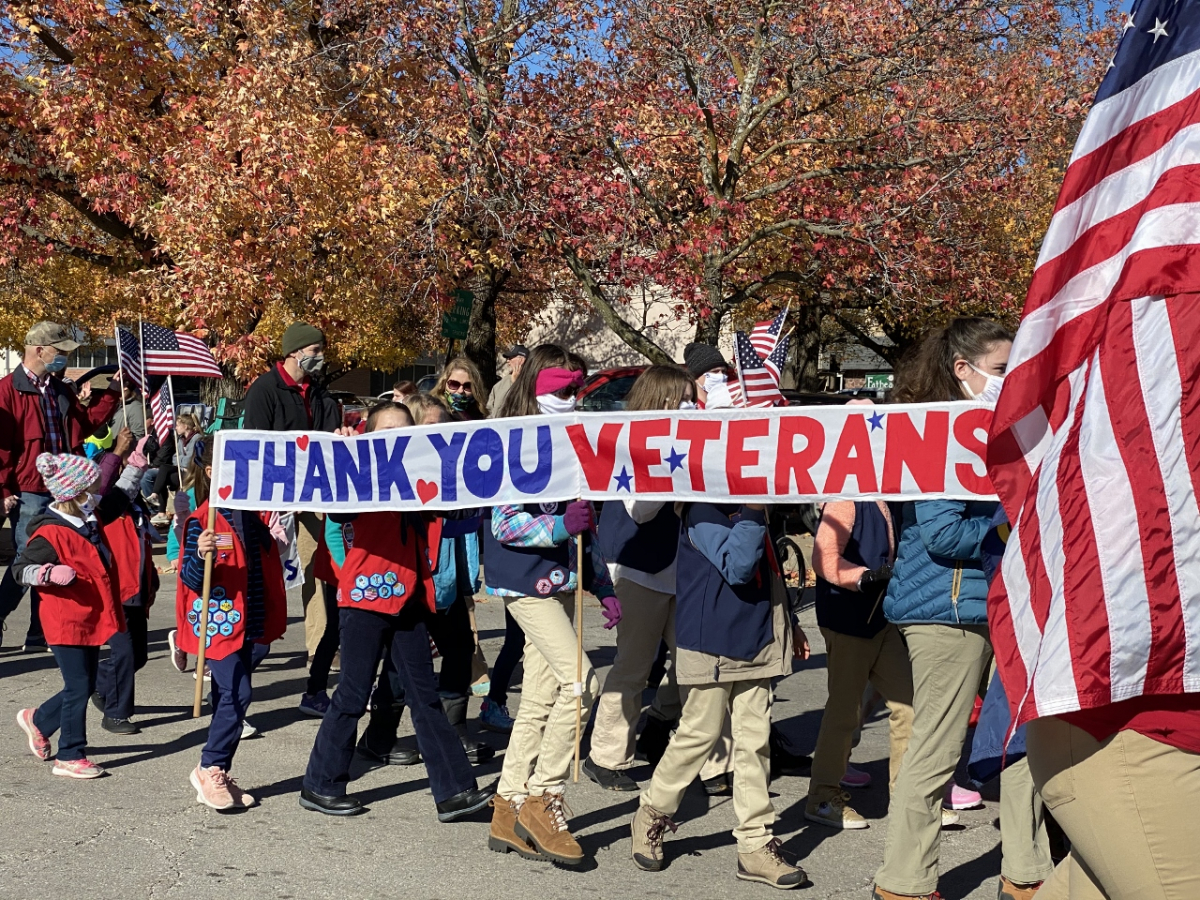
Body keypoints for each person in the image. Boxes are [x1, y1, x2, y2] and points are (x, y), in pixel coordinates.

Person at [873, 318, 1053, 900]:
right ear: (962, 371)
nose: (1009, 380)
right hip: (946, 613)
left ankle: (1024, 873)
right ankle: (904, 881)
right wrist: (1008, 511)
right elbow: (944, 536)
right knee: (937, 749)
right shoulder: (940, 434)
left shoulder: (1004, 429)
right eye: (1001, 370)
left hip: (1009, 608)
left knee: (1024, 742)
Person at [299, 401, 494, 822]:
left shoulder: (421, 478)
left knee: (424, 696)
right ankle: (320, 783)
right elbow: (339, 508)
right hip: (363, 600)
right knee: (353, 692)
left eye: (402, 433)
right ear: (369, 438)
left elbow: (456, 508)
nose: (394, 440)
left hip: (409, 600)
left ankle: (455, 791)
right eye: (384, 432)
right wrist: (345, 455)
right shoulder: (355, 475)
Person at [630, 499, 811, 889]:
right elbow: (740, 566)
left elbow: (768, 568)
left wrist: (789, 623)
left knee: (754, 742)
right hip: (710, 640)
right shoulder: (701, 511)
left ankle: (755, 844)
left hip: (758, 637)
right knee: (700, 733)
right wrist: (751, 511)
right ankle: (651, 812)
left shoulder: (754, 509)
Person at [485, 345, 618, 866]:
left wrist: (602, 585)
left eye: (577, 392)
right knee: (582, 683)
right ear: (538, 385)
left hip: (560, 580)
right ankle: (544, 796)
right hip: (521, 583)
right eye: (562, 391)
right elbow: (504, 523)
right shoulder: (510, 439)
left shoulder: (572, 440)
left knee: (541, 698)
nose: (571, 399)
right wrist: (562, 526)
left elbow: (584, 523)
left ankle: (509, 802)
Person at [586, 365, 723, 792]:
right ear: (659, 399)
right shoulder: (633, 443)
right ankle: (606, 756)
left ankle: (710, 759)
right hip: (637, 568)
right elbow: (639, 510)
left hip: (682, 569)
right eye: (681, 398)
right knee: (634, 666)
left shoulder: (690, 439)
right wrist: (673, 468)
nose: (689, 405)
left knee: (698, 667)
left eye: (691, 397)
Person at [12, 445, 149, 779]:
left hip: (89, 619)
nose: (95, 496)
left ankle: (39, 720)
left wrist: (135, 466)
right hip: (64, 621)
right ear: (73, 495)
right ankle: (70, 754)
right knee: (78, 685)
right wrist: (46, 574)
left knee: (83, 685)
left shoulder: (88, 516)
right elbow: (20, 569)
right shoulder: (49, 532)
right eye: (90, 491)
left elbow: (117, 498)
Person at [176, 440, 288, 809]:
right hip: (219, 627)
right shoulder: (203, 521)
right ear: (212, 473)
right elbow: (192, 580)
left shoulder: (252, 516)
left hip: (252, 625)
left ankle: (219, 767)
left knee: (233, 696)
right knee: (238, 695)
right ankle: (210, 767)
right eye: (233, 470)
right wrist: (198, 553)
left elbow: (266, 561)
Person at [0, 321, 121, 652]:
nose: (63, 359)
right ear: (40, 351)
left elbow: (86, 425)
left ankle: (40, 634)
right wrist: (5, 490)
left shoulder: (59, 389)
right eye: (59, 352)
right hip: (28, 491)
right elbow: (3, 450)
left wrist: (112, 391)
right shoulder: (7, 390)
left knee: (57, 561)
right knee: (30, 560)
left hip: (62, 491)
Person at [242, 322, 342, 699]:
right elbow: (256, 447)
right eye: (314, 350)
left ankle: (319, 650)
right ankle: (225, 646)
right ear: (294, 352)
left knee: (319, 568)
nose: (319, 357)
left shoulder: (320, 394)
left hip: (316, 499)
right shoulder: (264, 391)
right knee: (267, 576)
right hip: (275, 501)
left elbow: (331, 442)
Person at [804, 496, 914, 830]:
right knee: (844, 712)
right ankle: (822, 797)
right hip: (848, 621)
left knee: (911, 706)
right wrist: (864, 577)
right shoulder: (845, 499)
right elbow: (823, 557)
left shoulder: (887, 498)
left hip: (880, 621)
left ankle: (909, 797)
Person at [92, 435, 160, 736]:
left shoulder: (136, 509)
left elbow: (145, 545)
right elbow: (115, 491)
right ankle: (116, 714)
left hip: (137, 590)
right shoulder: (102, 507)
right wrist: (125, 459)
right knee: (125, 654)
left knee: (139, 655)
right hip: (114, 591)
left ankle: (99, 683)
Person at [144, 413, 202, 521]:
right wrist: (181, 461)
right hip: (180, 470)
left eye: (178, 425)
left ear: (185, 426)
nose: (176, 428)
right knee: (162, 476)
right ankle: (161, 514)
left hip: (191, 473)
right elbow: (175, 457)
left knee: (164, 469)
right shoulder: (180, 440)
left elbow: (191, 459)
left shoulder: (197, 439)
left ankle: (155, 496)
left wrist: (181, 461)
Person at [434, 356, 489, 421]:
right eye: (454, 384)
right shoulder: (433, 412)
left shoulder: (481, 414)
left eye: (468, 386)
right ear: (443, 384)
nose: (460, 391)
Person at [682, 342, 731, 409]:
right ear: (696, 375)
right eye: (715, 371)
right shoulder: (687, 407)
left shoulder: (729, 403)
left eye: (723, 371)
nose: (721, 376)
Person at [486, 345, 527, 417]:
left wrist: (516, 383)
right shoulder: (499, 385)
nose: (507, 361)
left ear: (522, 360)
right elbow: (489, 411)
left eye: (511, 358)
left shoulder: (532, 382)